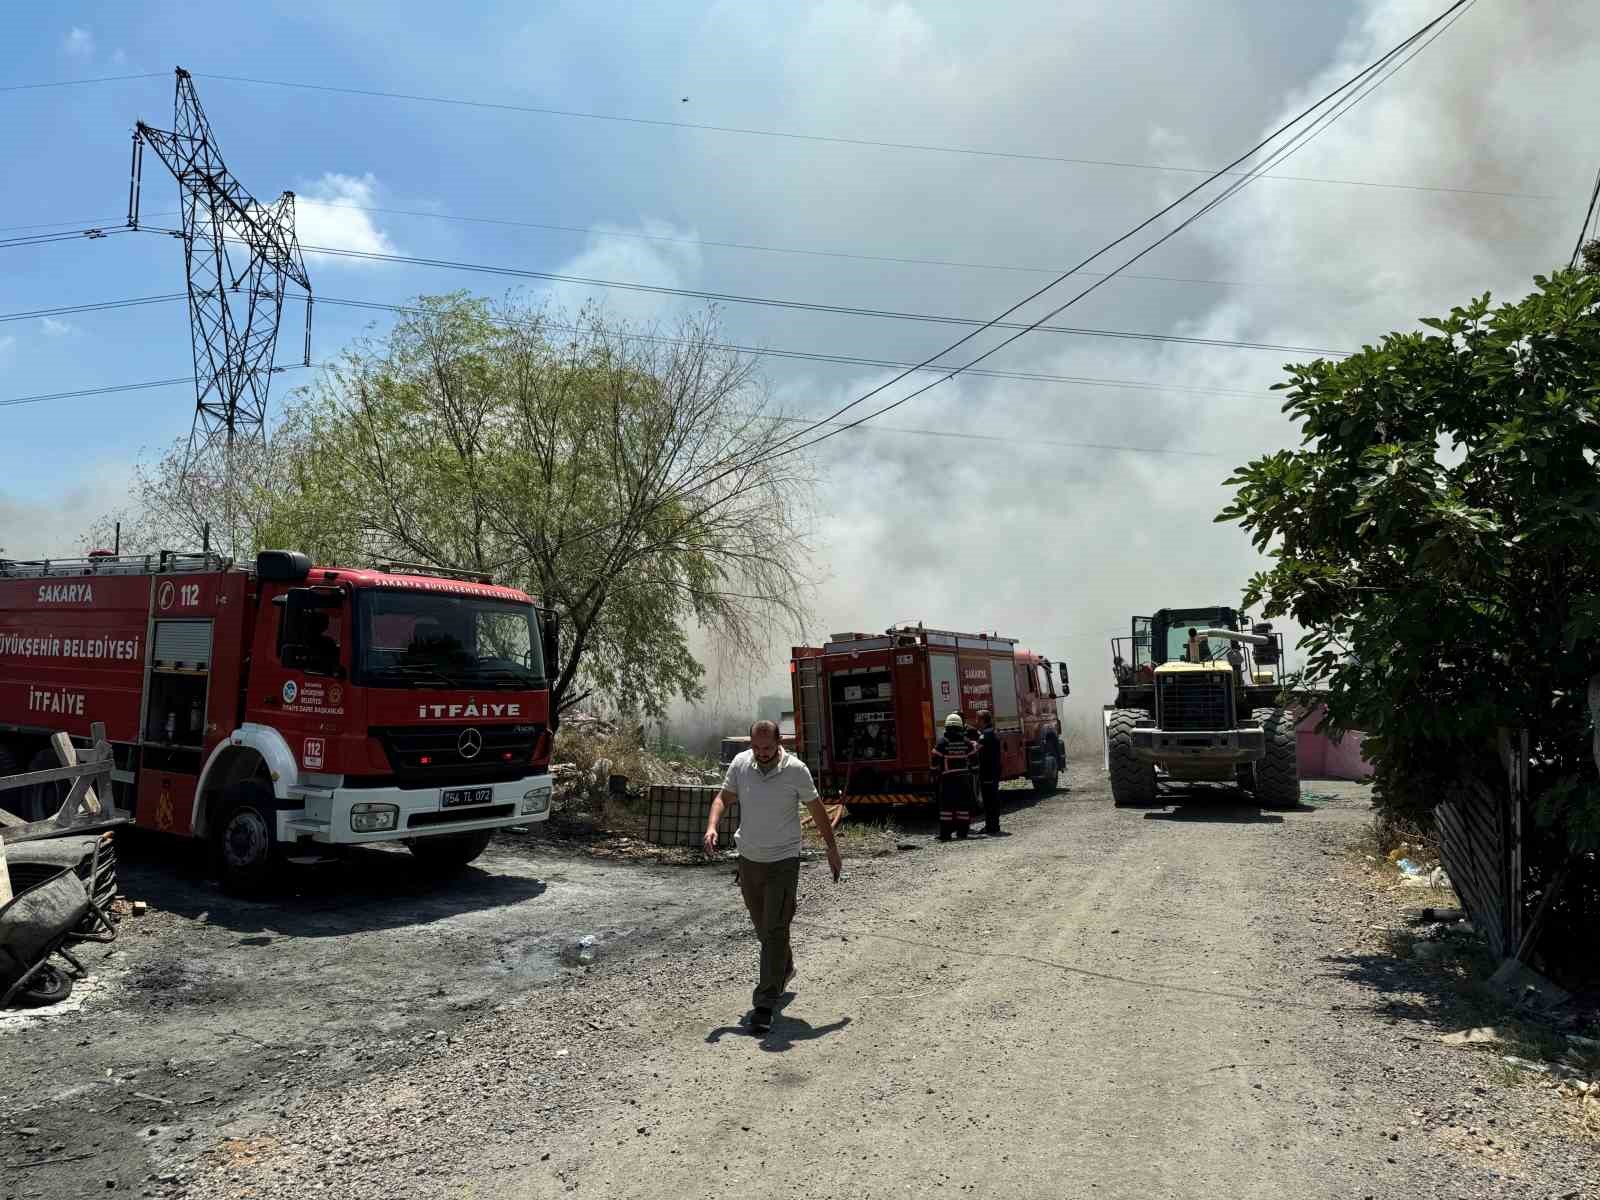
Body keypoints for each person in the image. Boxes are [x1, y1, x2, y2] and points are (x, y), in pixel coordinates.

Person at [704, 719, 841, 1035]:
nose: (762, 753)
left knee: (775, 927)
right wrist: (713, 826)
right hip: (750, 860)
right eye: (756, 747)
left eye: (767, 748)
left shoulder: (796, 770)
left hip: (783, 860)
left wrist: (831, 848)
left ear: (779, 743)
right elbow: (723, 798)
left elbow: (818, 809)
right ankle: (785, 969)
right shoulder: (741, 764)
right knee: (765, 930)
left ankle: (764, 1004)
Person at [931, 711, 979, 841]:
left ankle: (945, 835)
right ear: (960, 726)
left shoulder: (942, 743)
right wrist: (974, 771)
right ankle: (962, 833)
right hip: (964, 780)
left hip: (947, 781)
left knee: (946, 808)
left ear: (946, 727)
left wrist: (934, 774)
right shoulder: (967, 742)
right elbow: (974, 761)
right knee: (963, 807)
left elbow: (934, 762)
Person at [975, 710, 1003, 836]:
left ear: (982, 720)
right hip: (994, 770)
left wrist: (969, 742)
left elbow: (978, 748)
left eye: (978, 719)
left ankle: (991, 826)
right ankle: (994, 825)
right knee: (993, 798)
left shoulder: (985, 735)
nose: (976, 722)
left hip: (987, 771)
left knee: (988, 800)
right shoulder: (993, 732)